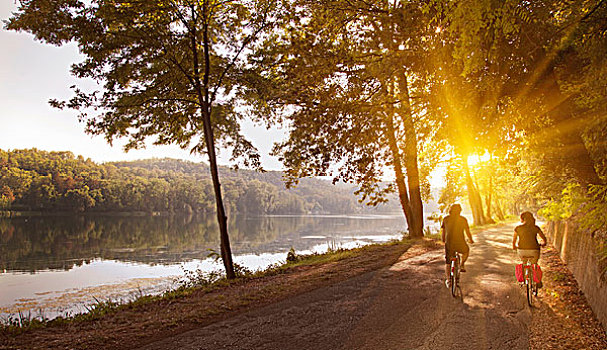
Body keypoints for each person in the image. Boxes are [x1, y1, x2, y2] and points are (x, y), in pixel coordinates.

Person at [441, 204, 474, 287]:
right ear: (460, 211)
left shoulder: (446, 219)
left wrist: (443, 241)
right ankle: (462, 264)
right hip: (460, 243)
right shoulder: (463, 219)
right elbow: (467, 232)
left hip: (449, 244)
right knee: (466, 251)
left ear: (450, 210)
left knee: (448, 262)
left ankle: (448, 280)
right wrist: (471, 240)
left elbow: (443, 232)